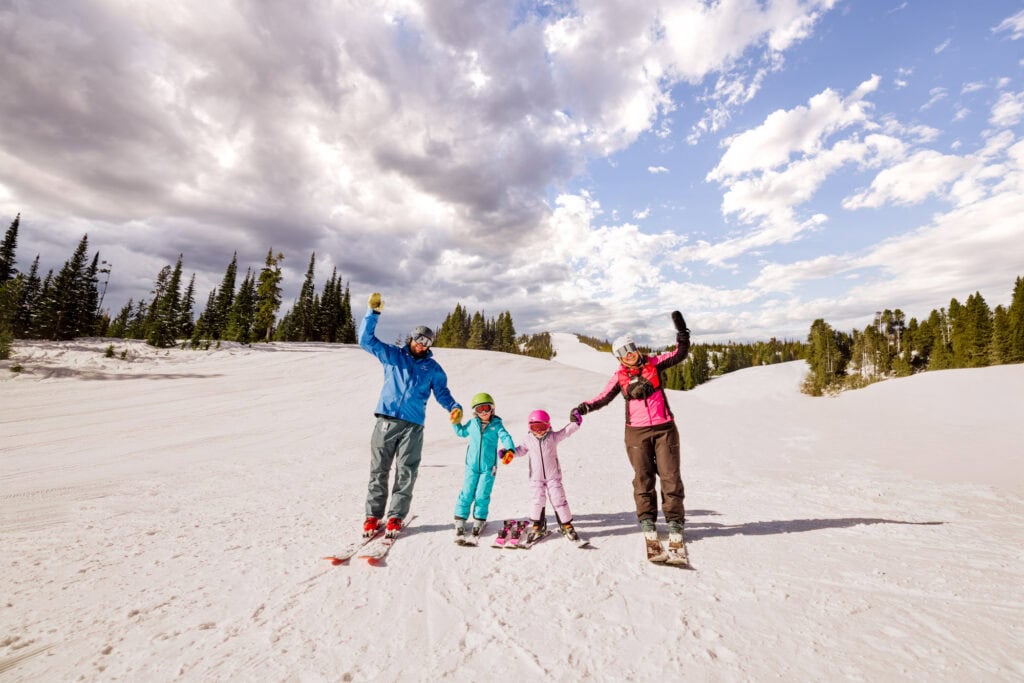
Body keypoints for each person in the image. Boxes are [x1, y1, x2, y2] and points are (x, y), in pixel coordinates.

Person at [571, 311, 690, 543]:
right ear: (618, 357)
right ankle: (647, 519)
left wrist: (682, 333)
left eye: (632, 348)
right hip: (636, 433)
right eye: (624, 352)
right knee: (643, 477)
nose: (630, 354)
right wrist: (583, 408)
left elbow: (680, 353)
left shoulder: (653, 364)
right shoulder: (619, 377)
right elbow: (603, 397)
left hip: (665, 428)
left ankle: (674, 520)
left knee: (670, 476)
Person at [358, 292, 462, 538]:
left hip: (413, 426)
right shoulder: (394, 356)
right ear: (412, 338)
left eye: (427, 342)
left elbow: (442, 392)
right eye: (419, 339)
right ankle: (373, 517)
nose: (421, 345)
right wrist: (373, 313)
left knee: (407, 471)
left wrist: (454, 407)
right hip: (386, 420)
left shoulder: (433, 369)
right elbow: (366, 340)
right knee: (379, 470)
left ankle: (395, 517)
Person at [504, 409, 583, 544]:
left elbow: (566, 432)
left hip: (553, 477)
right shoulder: (528, 440)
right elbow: (520, 450)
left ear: (548, 425)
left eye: (542, 427)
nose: (539, 431)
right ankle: (537, 526)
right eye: (535, 427)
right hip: (536, 478)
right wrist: (509, 453)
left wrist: (576, 423)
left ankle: (566, 525)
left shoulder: (553, 437)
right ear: (530, 427)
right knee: (537, 501)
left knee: (559, 499)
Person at [451, 392, 516, 544]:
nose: (484, 412)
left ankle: (479, 520)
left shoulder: (497, 425)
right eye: (480, 409)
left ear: (492, 409)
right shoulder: (472, 424)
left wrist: (510, 450)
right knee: (467, 492)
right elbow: (461, 432)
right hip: (471, 466)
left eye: (487, 408)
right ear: (475, 412)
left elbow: (506, 437)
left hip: (488, 468)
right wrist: (456, 422)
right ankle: (460, 521)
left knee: (482, 494)